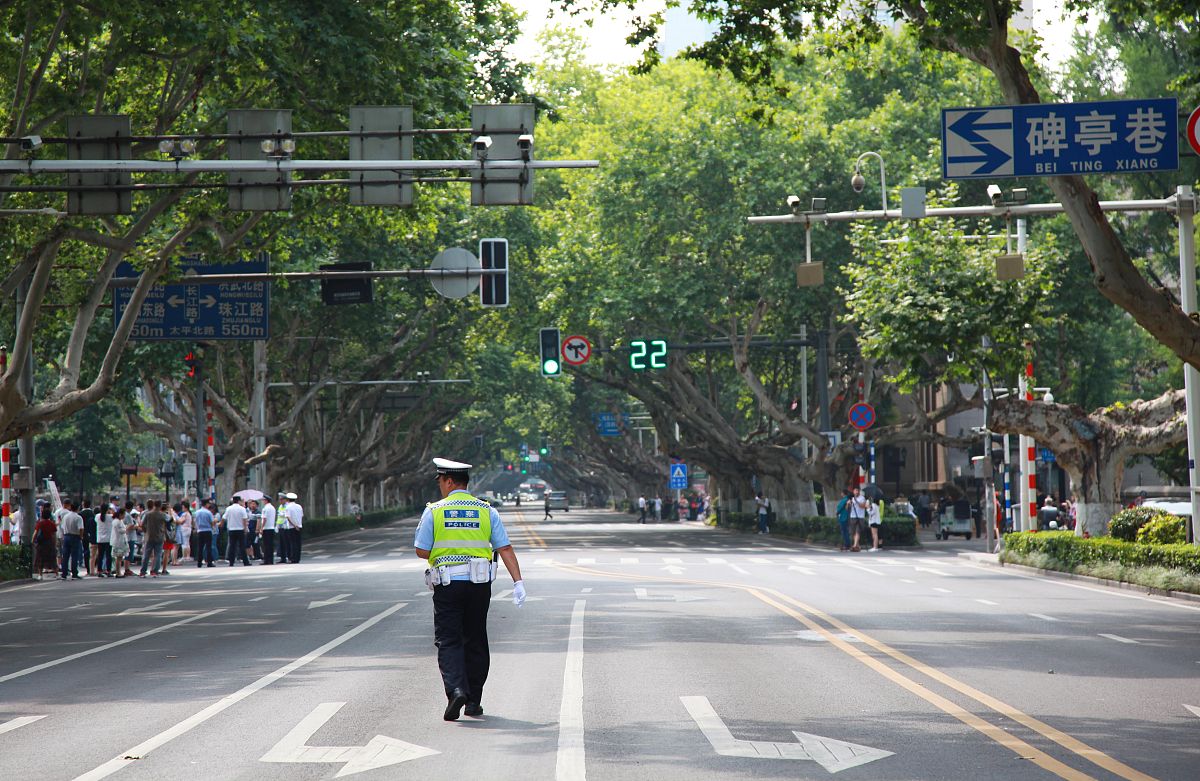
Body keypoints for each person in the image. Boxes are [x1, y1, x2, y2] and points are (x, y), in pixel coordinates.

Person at [414, 458, 524, 721]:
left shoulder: (435, 511)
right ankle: (473, 700)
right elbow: (504, 548)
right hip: (479, 585)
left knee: (449, 639)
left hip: (448, 585)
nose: (440, 486)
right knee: (475, 638)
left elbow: (421, 550)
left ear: (450, 481)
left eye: (441, 481)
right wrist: (518, 581)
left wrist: (445, 550)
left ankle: (455, 690)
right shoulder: (487, 511)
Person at [139, 499, 169, 577]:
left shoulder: (148, 514)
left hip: (149, 536)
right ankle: (155, 571)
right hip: (159, 536)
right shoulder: (163, 515)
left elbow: (142, 524)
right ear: (160, 506)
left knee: (146, 554)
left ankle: (143, 571)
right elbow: (170, 521)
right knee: (158, 554)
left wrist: (145, 531)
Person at [59, 499, 86, 580]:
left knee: (65, 555)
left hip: (66, 536)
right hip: (75, 536)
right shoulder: (78, 517)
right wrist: (81, 536)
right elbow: (81, 528)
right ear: (78, 508)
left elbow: (62, 527)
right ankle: (74, 573)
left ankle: (64, 573)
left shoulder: (66, 516)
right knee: (74, 555)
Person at [222, 495, 251, 566]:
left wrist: (221, 524)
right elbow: (244, 519)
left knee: (232, 546)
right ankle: (245, 562)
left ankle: (231, 562)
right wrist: (245, 528)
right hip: (240, 529)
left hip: (231, 529)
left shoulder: (228, 509)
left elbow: (224, 517)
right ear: (239, 501)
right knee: (242, 546)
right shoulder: (242, 509)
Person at [32, 504, 58, 581]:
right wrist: (54, 543)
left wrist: (33, 541)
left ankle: (40, 575)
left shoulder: (40, 524)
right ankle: (56, 573)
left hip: (41, 543)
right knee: (52, 559)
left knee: (40, 559)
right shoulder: (52, 524)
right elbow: (54, 535)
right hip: (49, 543)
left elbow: (35, 533)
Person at [110, 507, 133, 577]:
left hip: (121, 541)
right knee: (119, 558)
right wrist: (127, 527)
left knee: (119, 558)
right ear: (120, 514)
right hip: (118, 542)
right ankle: (118, 572)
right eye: (123, 515)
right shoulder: (116, 521)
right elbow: (121, 531)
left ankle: (118, 571)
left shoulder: (119, 521)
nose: (124, 517)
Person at [194, 500, 216, 568]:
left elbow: (195, 521)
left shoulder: (197, 512)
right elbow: (212, 522)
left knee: (200, 547)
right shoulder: (208, 512)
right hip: (208, 530)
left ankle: (199, 562)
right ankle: (209, 562)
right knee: (208, 547)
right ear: (206, 504)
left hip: (200, 531)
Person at [283, 492, 304, 562]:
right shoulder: (299, 506)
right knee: (298, 543)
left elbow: (288, 518)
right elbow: (301, 516)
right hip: (299, 526)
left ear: (288, 499)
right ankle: (297, 558)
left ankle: (293, 558)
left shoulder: (288, 507)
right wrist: (298, 525)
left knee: (292, 543)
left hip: (292, 527)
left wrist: (294, 525)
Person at [848, 486, 868, 552]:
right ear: (853, 492)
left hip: (860, 517)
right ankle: (857, 546)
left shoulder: (862, 498)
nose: (856, 492)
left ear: (859, 491)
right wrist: (848, 504)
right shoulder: (852, 499)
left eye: (857, 491)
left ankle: (854, 546)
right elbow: (847, 508)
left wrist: (856, 501)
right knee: (853, 532)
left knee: (858, 531)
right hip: (853, 516)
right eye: (855, 491)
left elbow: (862, 506)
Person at [259, 495, 277, 565]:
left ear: (266, 500)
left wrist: (261, 528)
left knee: (266, 545)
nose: (263, 501)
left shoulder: (265, 508)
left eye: (263, 500)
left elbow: (264, 519)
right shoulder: (272, 508)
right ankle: (270, 560)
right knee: (270, 545)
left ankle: (266, 560)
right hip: (271, 527)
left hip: (266, 528)